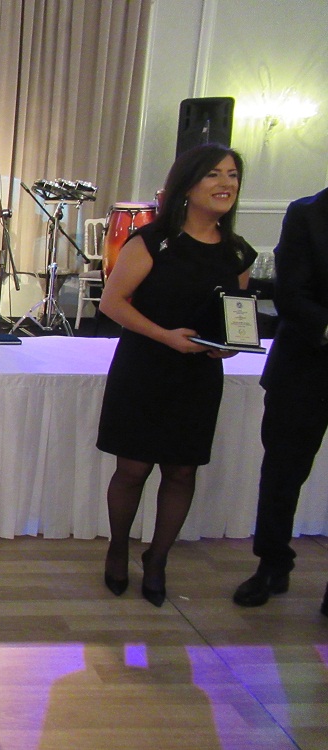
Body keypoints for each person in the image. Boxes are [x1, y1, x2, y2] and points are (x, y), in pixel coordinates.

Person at [96, 143, 256, 607]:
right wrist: (165, 336)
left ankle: (158, 558)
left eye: (232, 174)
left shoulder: (238, 252)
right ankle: (118, 547)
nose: (225, 183)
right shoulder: (152, 241)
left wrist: (229, 345)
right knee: (132, 469)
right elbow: (112, 303)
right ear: (187, 185)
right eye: (214, 174)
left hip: (197, 376)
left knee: (182, 471)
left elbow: (234, 316)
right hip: (144, 369)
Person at [233, 186, 328, 616]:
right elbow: (290, 294)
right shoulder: (308, 213)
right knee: (282, 473)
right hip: (305, 363)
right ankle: (272, 564)